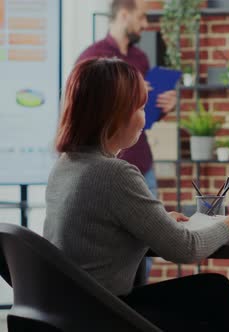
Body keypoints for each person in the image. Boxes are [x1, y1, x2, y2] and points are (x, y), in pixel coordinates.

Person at [44, 58, 229, 331]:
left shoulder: (66, 165)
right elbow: (186, 248)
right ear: (115, 114)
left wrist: (155, 221)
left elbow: (95, 236)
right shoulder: (113, 173)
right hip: (99, 316)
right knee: (214, 297)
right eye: (141, 107)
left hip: (69, 311)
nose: (144, 118)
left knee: (212, 289)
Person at [77, 0, 176, 281]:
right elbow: (86, 112)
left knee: (148, 246)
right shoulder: (92, 57)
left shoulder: (141, 58)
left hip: (142, 162)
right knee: (116, 244)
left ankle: (135, 309)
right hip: (108, 163)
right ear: (124, 13)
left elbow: (144, 119)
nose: (146, 25)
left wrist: (161, 106)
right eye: (142, 17)